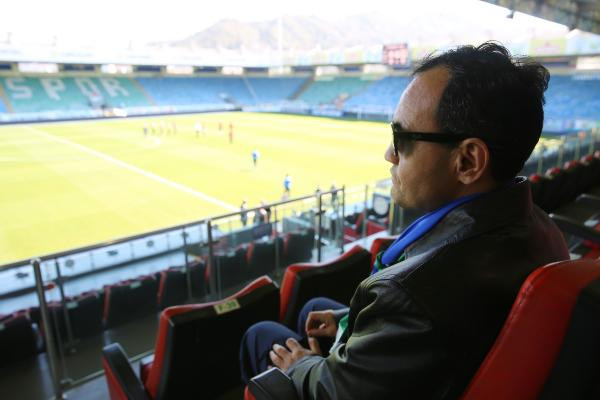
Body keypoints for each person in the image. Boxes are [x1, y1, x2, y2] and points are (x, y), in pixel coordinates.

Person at [239, 42, 570, 399]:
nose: (389, 154)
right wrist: (348, 321)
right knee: (315, 308)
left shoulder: (412, 293)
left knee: (260, 336)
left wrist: (301, 365)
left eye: (402, 138)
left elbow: (338, 392)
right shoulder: (539, 225)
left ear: (468, 161)